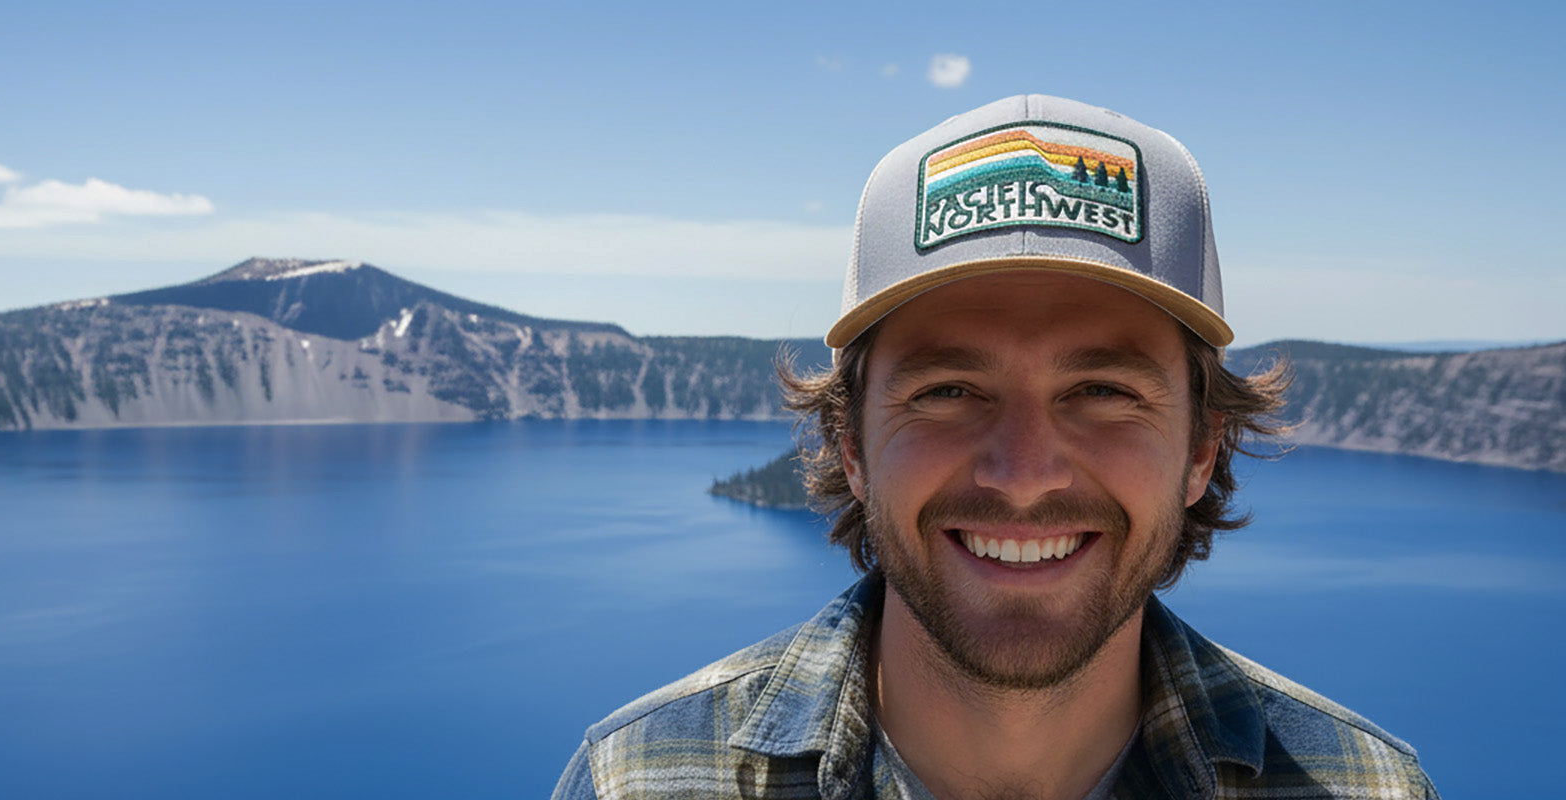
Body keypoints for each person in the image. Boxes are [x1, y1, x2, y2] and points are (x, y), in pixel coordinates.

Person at [551, 95, 1437, 800]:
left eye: (1102, 392)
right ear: (849, 443)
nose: (1022, 475)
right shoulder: (643, 782)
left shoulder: (1366, 789)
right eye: (946, 392)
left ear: (1203, 448)